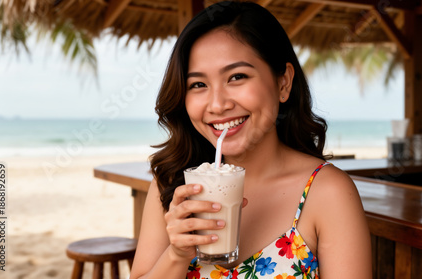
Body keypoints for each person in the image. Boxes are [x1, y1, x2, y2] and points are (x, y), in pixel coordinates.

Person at [130, 1, 371, 278]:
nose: (217, 105)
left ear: (283, 83)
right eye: (198, 84)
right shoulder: (172, 184)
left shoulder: (327, 192)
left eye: (237, 77)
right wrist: (176, 255)